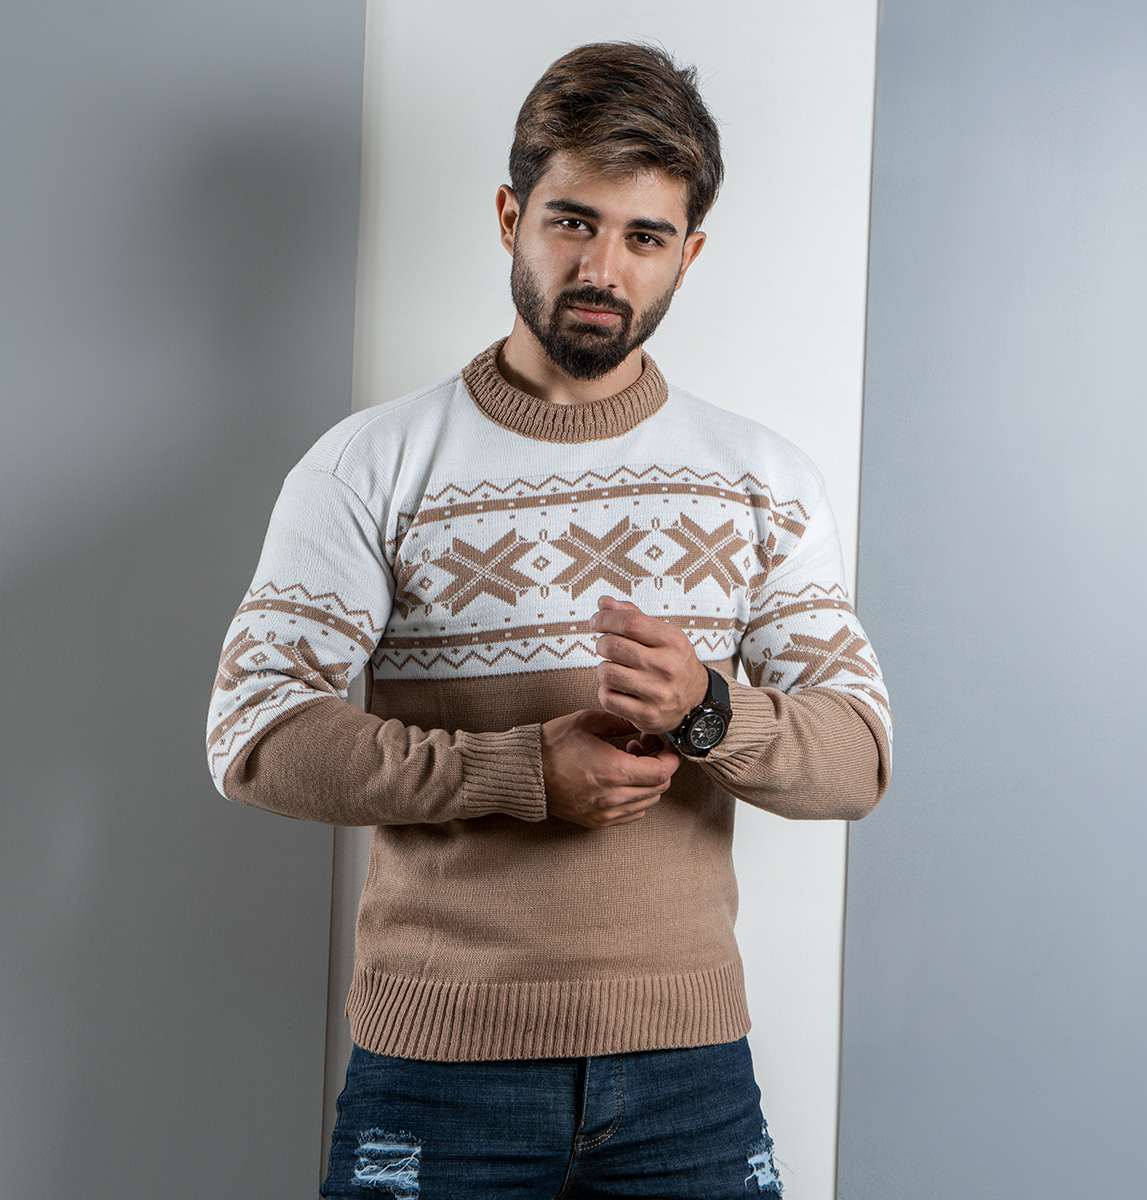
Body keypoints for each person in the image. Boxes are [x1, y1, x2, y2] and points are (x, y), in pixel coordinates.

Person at [206, 40, 891, 1199]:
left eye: (644, 237)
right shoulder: (370, 466)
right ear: (510, 216)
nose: (601, 268)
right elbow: (253, 735)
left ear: (690, 255)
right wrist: (520, 770)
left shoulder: (762, 479)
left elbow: (859, 760)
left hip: (690, 1078)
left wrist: (708, 710)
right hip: (437, 1074)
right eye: (573, 222)